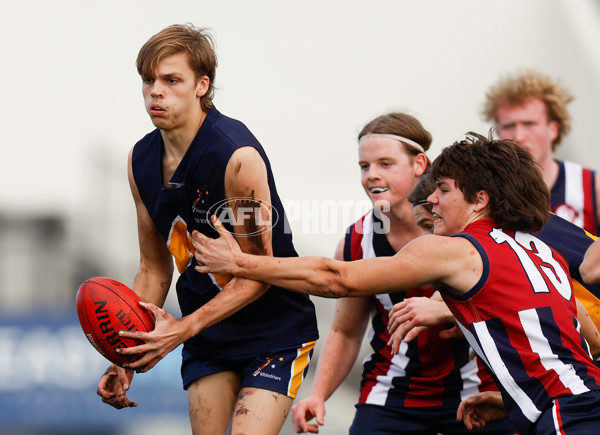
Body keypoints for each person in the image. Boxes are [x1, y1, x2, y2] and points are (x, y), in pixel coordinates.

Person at [193, 133, 600, 434]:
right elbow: (586, 335)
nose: (432, 201)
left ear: (479, 199)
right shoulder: (537, 249)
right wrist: (512, 396)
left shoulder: (456, 250)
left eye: (443, 190)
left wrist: (241, 262)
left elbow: (337, 279)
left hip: (568, 414)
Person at [95, 24, 319, 435]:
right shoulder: (139, 161)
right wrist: (124, 357)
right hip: (208, 337)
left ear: (202, 85)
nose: (155, 92)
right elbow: (153, 270)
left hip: (274, 331)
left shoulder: (236, 157)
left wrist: (181, 329)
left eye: (171, 80)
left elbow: (257, 275)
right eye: (148, 81)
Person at [289, 113, 512, 434]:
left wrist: (445, 308)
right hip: (392, 397)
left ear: (420, 164)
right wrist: (319, 394)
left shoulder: (467, 227)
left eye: (385, 164)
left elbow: (513, 299)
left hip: (479, 391)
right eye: (364, 167)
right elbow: (346, 330)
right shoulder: (356, 242)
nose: (371, 176)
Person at [482, 69, 600, 236]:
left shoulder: (590, 187)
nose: (519, 136)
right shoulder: (484, 191)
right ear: (498, 133)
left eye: (529, 123)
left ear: (553, 129)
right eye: (509, 126)